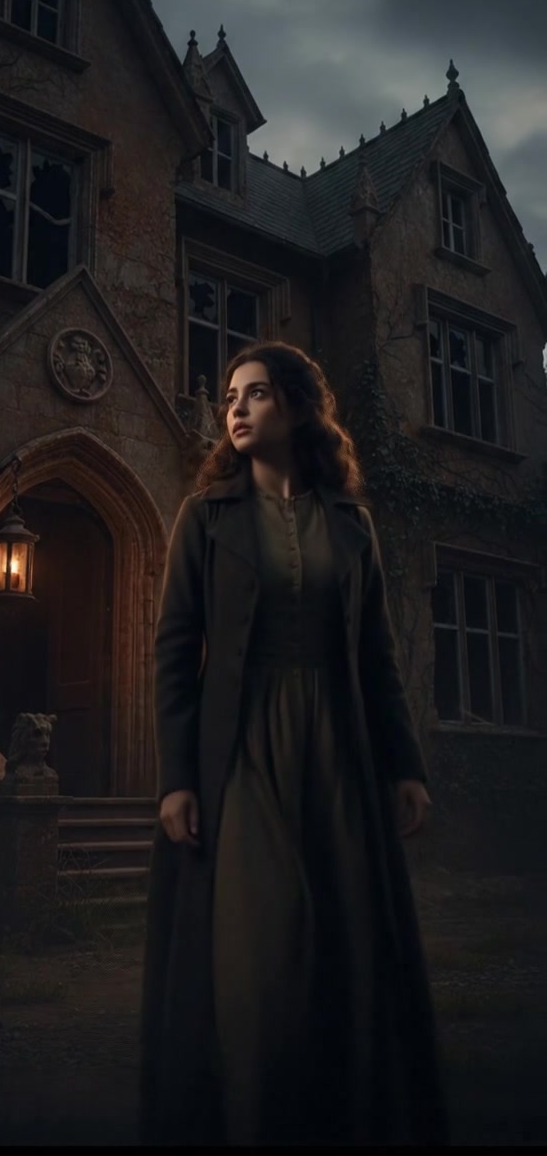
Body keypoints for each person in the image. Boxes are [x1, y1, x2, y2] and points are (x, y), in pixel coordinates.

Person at [139, 340, 449, 1147]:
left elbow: (378, 658)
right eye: (230, 399)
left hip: (339, 746)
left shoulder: (352, 526)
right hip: (241, 748)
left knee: (348, 946)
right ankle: (251, 1119)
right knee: (258, 950)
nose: (235, 408)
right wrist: (176, 778)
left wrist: (404, 765)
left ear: (302, 406)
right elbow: (175, 651)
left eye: (257, 393)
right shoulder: (204, 520)